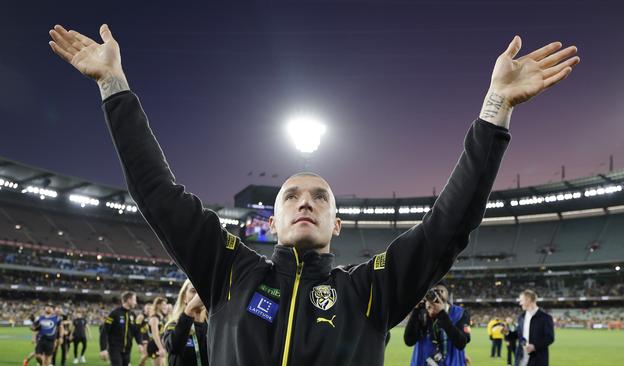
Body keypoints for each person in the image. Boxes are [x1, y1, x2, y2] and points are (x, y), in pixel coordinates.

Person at [48, 23, 579, 366]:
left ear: (337, 225)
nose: (306, 201)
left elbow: (448, 224)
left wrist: (495, 109)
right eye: (292, 196)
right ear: (273, 222)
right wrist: (113, 86)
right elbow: (157, 191)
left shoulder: (370, 291)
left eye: (320, 197)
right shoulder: (228, 272)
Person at [404, 283, 470, 366]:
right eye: (432, 292)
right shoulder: (421, 312)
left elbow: (461, 343)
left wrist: (441, 314)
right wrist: (416, 310)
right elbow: (409, 341)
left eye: (440, 291)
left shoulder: (460, 313)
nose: (436, 294)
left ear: (447, 295)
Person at [163, 280, 208, 366]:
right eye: (193, 291)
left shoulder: (212, 327)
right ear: (184, 297)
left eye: (202, 291)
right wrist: (190, 309)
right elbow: (174, 348)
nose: (198, 296)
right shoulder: (174, 325)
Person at [99, 291, 144, 366]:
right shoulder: (114, 314)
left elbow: (136, 331)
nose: (136, 303)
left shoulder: (132, 315)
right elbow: (104, 331)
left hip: (127, 351)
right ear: (129, 300)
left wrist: (139, 343)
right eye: (134, 300)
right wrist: (103, 349)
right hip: (115, 350)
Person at [515, 290, 554, 366]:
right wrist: (507, 332)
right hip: (521, 361)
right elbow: (520, 336)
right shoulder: (521, 317)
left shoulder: (545, 318)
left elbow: (549, 338)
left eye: (521, 300)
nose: (520, 303)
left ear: (528, 300)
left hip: (538, 360)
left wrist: (534, 346)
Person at [143, 297, 169, 366]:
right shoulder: (154, 318)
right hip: (155, 346)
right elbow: (155, 335)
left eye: (166, 304)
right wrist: (161, 348)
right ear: (158, 305)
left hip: (160, 345)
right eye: (163, 304)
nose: (165, 306)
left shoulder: (162, 318)